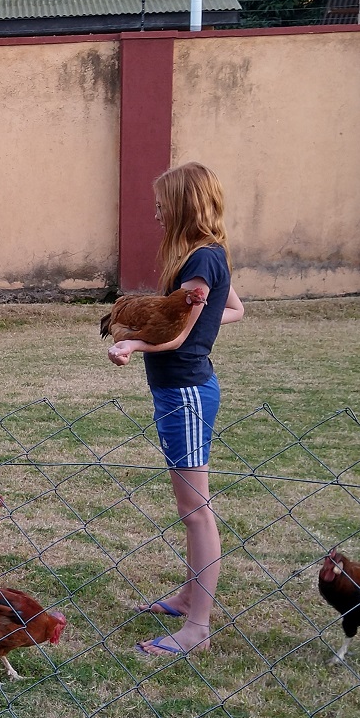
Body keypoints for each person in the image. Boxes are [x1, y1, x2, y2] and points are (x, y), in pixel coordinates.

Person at [107, 161, 244, 656]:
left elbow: (180, 337)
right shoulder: (209, 255)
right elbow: (235, 309)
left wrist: (132, 344)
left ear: (184, 204)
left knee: (195, 511)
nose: (157, 212)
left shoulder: (200, 262)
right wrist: (199, 323)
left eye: (162, 203)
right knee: (192, 508)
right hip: (184, 389)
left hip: (185, 391)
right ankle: (189, 597)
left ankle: (197, 627)